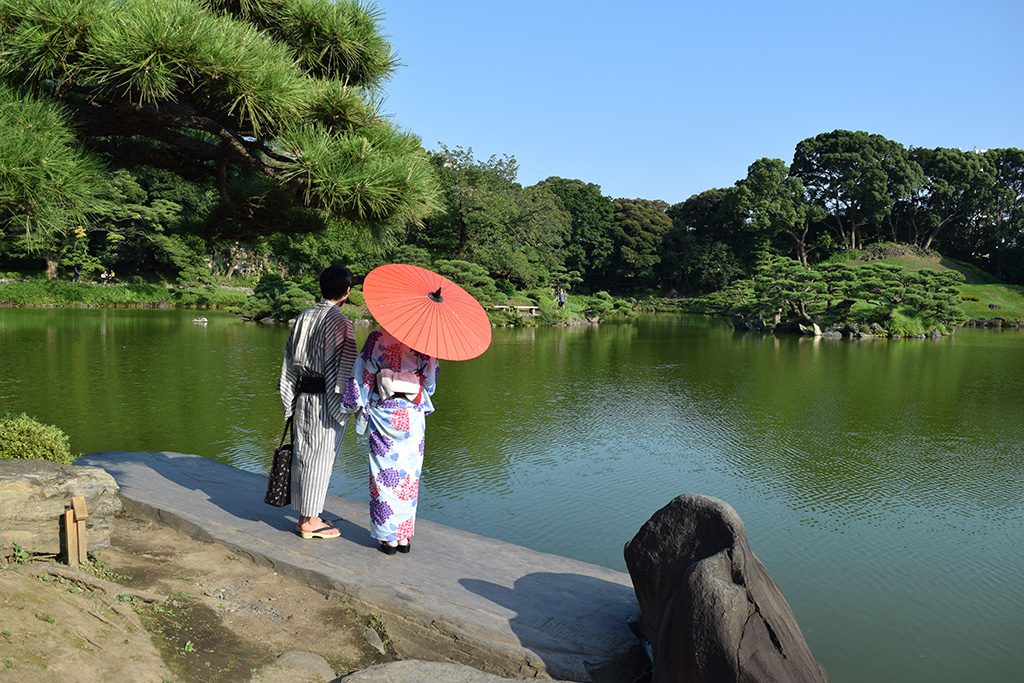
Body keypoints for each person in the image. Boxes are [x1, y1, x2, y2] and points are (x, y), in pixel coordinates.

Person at [343, 328, 439, 555]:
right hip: (412, 415)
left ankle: (388, 539)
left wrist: (354, 405)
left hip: (384, 412)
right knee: (409, 477)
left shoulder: (378, 337)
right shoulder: (427, 341)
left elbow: (364, 376)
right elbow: (431, 384)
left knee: (383, 474)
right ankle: (404, 536)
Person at [279, 264, 357, 540]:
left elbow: (289, 360)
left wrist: (288, 396)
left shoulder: (304, 316)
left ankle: (306, 513)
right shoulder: (340, 322)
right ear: (347, 292)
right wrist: (349, 403)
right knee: (321, 457)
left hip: (302, 393)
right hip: (325, 397)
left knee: (305, 454)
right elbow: (344, 368)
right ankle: (310, 521)